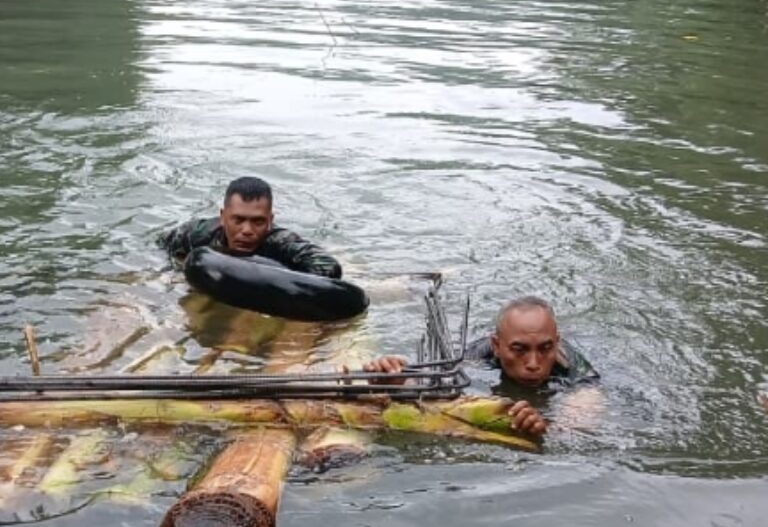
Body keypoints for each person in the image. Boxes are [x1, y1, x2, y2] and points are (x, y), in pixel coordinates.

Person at [365, 296, 599, 439]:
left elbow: (577, 428)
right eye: (519, 349)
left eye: (545, 348)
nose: (533, 364)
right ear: (496, 346)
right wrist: (394, 377)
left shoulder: (579, 373)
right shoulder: (476, 356)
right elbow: (435, 382)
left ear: (556, 343)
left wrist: (543, 426)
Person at [158, 175, 343, 279]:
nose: (247, 230)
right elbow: (160, 245)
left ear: (270, 221)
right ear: (223, 217)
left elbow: (329, 267)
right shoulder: (198, 233)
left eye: (258, 222)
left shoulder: (280, 241)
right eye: (238, 220)